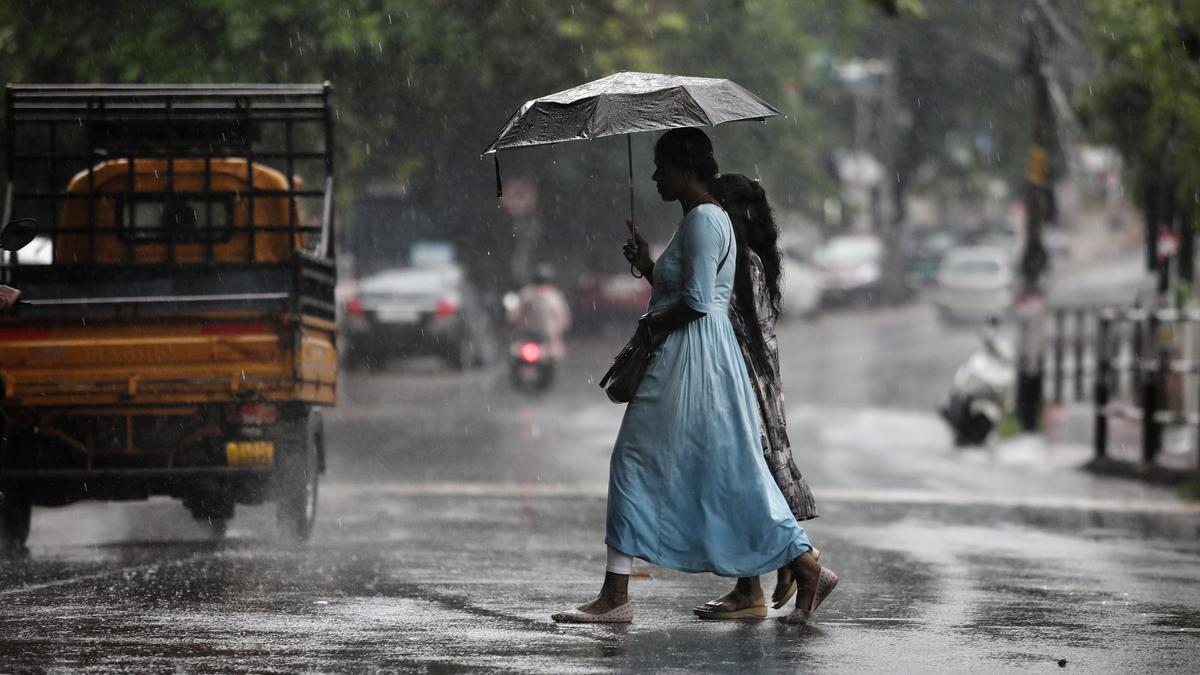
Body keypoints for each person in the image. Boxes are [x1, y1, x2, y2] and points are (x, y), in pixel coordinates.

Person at [551, 128, 837, 625]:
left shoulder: (705, 219)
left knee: (634, 462)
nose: (657, 176)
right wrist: (649, 266)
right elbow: (688, 286)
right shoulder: (708, 219)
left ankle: (615, 597)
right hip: (701, 356)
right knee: (729, 472)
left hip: (690, 360)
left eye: (662, 167)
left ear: (687, 168)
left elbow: (700, 301)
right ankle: (806, 565)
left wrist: (651, 323)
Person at [691, 173, 822, 620]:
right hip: (756, 382)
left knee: (744, 482)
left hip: (740, 383)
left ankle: (793, 567)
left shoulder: (739, 260)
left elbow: (707, 310)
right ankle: (762, 580)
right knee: (745, 482)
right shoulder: (756, 258)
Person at [508, 263, 571, 361]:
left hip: (546, 340)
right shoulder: (530, 295)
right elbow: (564, 321)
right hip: (528, 338)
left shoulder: (552, 297)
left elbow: (513, 316)